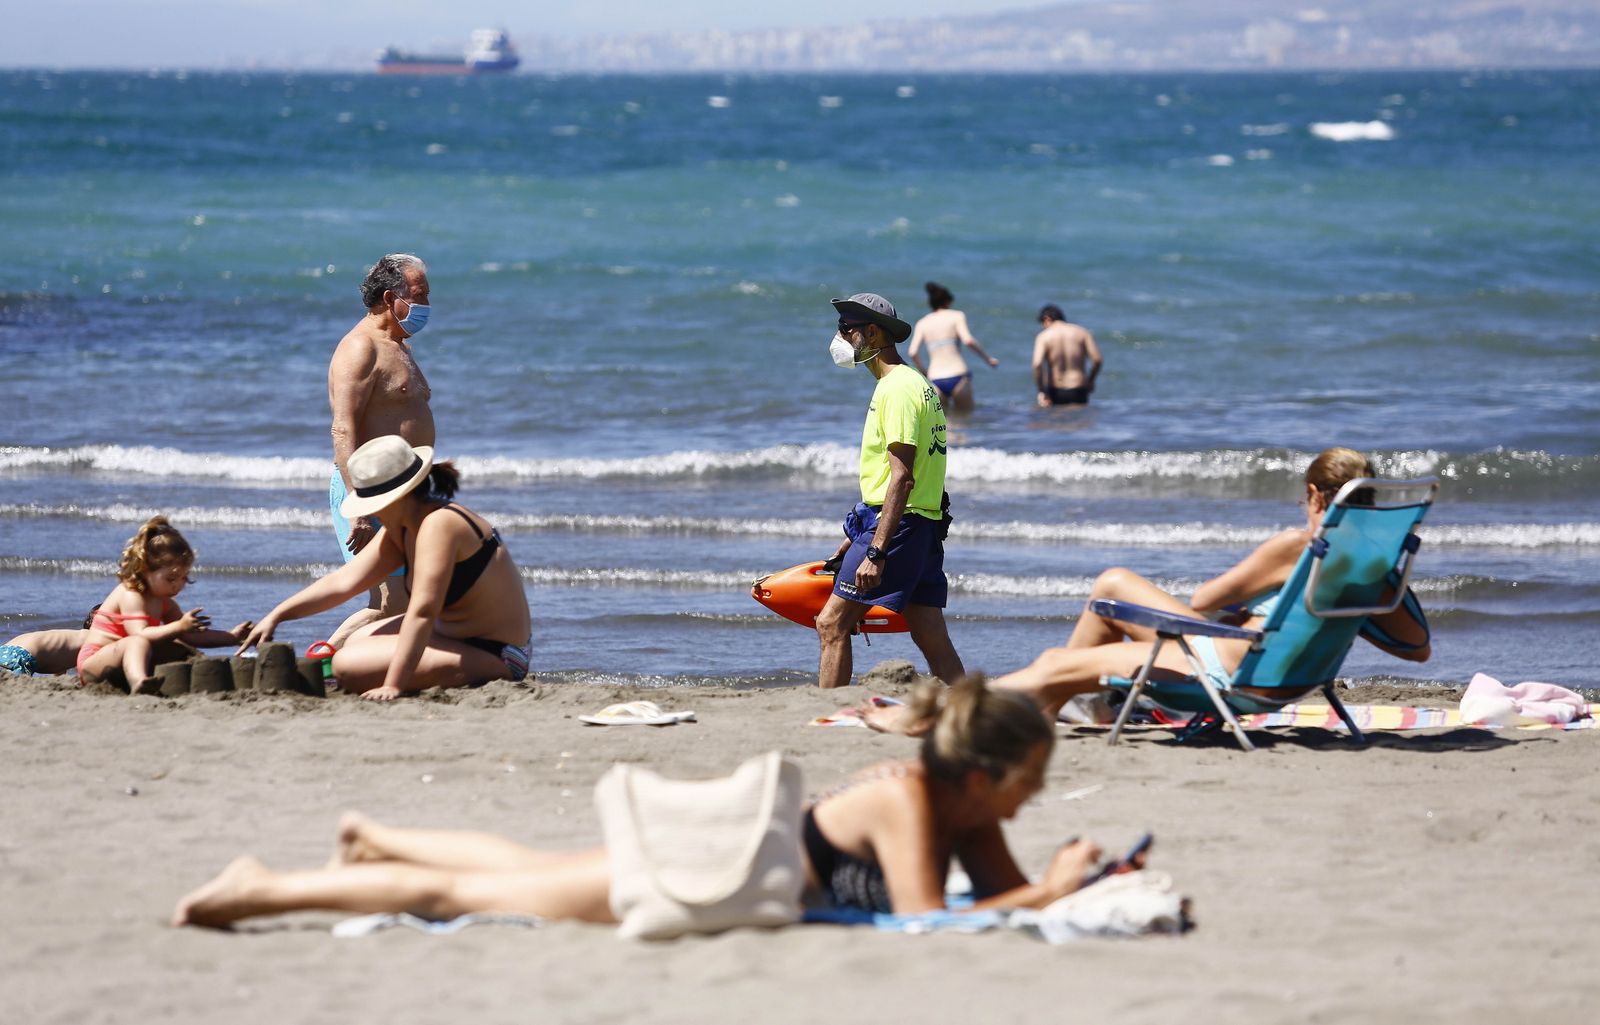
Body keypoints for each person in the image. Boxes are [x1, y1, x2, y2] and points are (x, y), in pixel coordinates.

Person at [173, 675, 1120, 928]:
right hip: (701, 868)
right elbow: (927, 921)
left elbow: (995, 900)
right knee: (466, 897)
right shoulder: (911, 797)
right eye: (1030, 782)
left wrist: (1066, 886)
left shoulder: (970, 813)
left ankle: (373, 835)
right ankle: (262, 887)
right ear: (987, 773)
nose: (1034, 801)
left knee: (534, 871)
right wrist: (1048, 894)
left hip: (727, 872)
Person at [991, 448, 1431, 718]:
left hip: (1222, 671)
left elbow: (1204, 601)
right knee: (1106, 596)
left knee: (1057, 658)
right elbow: (1417, 647)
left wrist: (1253, 605)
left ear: (1315, 495)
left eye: (1305, 498)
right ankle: (1078, 707)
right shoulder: (1375, 565)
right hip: (1286, 679)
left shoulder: (1299, 546)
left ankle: (958, 709)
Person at [237, 435, 531, 701]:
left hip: (499, 654)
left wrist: (394, 684)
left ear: (398, 497)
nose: (370, 511)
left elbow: (423, 611)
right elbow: (342, 583)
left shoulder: (440, 524)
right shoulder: (403, 528)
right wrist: (277, 616)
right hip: (453, 636)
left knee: (345, 665)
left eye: (374, 503)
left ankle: (411, 673)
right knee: (357, 640)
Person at [817, 292, 965, 690]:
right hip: (922, 525)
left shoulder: (896, 389)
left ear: (873, 333)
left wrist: (876, 549)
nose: (840, 338)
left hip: (897, 528)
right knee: (930, 633)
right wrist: (857, 537)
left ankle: (829, 714)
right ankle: (973, 709)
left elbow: (902, 477)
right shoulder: (919, 384)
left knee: (832, 623)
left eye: (846, 330)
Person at [327, 254, 437, 648]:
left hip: (404, 492)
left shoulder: (396, 343)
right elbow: (343, 427)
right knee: (392, 603)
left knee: (410, 596)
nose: (426, 305)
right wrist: (358, 504)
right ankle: (323, 659)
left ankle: (366, 662)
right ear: (392, 298)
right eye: (420, 295)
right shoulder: (360, 348)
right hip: (370, 492)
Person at [76, 518, 255, 694]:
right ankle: (139, 682)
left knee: (179, 646)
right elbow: (140, 634)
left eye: (184, 578)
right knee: (138, 642)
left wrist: (231, 637)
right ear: (145, 570)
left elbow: (192, 637)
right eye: (171, 578)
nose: (177, 585)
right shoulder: (131, 594)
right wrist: (178, 626)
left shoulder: (164, 602)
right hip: (94, 664)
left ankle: (188, 677)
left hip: (123, 664)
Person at [907, 281, 999, 413]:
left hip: (935, 379)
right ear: (947, 302)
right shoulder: (957, 316)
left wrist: (925, 372)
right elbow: (968, 341)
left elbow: (912, 352)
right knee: (965, 420)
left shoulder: (922, 323)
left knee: (944, 425)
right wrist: (988, 359)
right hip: (958, 376)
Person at [1032, 304, 1102, 407]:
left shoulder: (1044, 336)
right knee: (1080, 422)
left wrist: (1041, 390)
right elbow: (1097, 360)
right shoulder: (1082, 332)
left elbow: (1037, 364)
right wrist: (1091, 381)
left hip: (1055, 390)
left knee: (1055, 421)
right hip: (1079, 388)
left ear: (1046, 319)